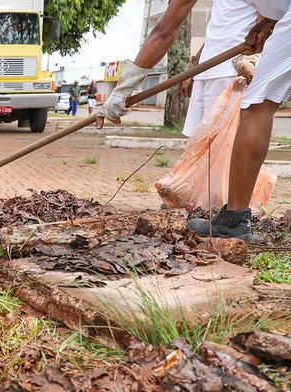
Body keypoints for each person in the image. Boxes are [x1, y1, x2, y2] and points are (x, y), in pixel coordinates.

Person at [98, 0, 284, 242]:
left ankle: (231, 215)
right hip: (214, 64)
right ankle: (217, 211)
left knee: (252, 113)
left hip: (231, 67)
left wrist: (124, 86)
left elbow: (164, 29)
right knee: (208, 143)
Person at [180, 0, 259, 136]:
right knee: (196, 137)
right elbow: (216, 29)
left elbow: (267, 20)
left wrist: (252, 57)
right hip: (205, 68)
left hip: (230, 67)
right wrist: (194, 66)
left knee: (218, 137)